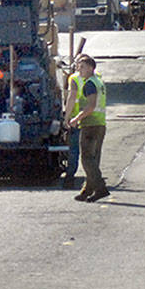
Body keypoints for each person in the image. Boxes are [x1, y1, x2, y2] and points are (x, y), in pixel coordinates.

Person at [69, 54, 109, 203]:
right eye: (78, 66)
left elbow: (90, 106)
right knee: (92, 158)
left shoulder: (89, 84)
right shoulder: (98, 81)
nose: (79, 69)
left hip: (90, 124)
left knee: (87, 159)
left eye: (82, 67)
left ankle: (100, 188)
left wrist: (75, 119)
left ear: (91, 68)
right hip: (100, 124)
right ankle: (88, 190)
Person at [60, 61, 84, 189]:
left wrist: (66, 118)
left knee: (74, 150)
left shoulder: (74, 79)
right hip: (95, 121)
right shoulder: (97, 78)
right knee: (91, 152)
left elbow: (71, 98)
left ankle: (70, 178)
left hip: (78, 121)